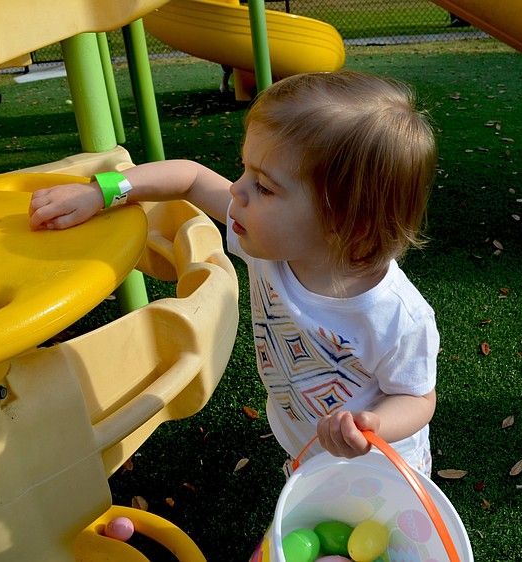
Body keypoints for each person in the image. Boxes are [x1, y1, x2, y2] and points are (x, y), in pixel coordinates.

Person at [29, 70, 440, 475]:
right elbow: (189, 178)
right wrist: (100, 191)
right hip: (309, 451)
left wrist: (374, 427)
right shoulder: (270, 244)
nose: (235, 191)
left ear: (346, 222)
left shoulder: (397, 316)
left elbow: (418, 397)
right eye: (245, 171)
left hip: (382, 467)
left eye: (264, 187)